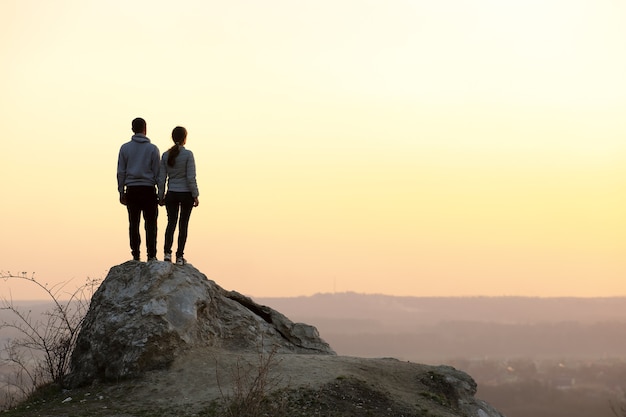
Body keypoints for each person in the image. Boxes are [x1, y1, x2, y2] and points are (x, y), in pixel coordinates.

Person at [117, 117, 161, 261]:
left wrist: (121, 191)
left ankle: (136, 254)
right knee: (151, 223)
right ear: (145, 129)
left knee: (133, 223)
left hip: (132, 189)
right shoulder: (153, 149)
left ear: (132, 129)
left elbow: (120, 172)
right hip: (148, 189)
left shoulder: (125, 148)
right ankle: (152, 255)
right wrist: (161, 193)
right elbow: (158, 173)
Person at [158, 126, 199, 265]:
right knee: (183, 224)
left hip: (172, 193)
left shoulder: (165, 155)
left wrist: (161, 195)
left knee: (171, 223)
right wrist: (195, 194)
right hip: (186, 193)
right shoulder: (188, 155)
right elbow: (190, 177)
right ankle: (180, 256)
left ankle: (167, 253)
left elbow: (161, 178)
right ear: (184, 138)